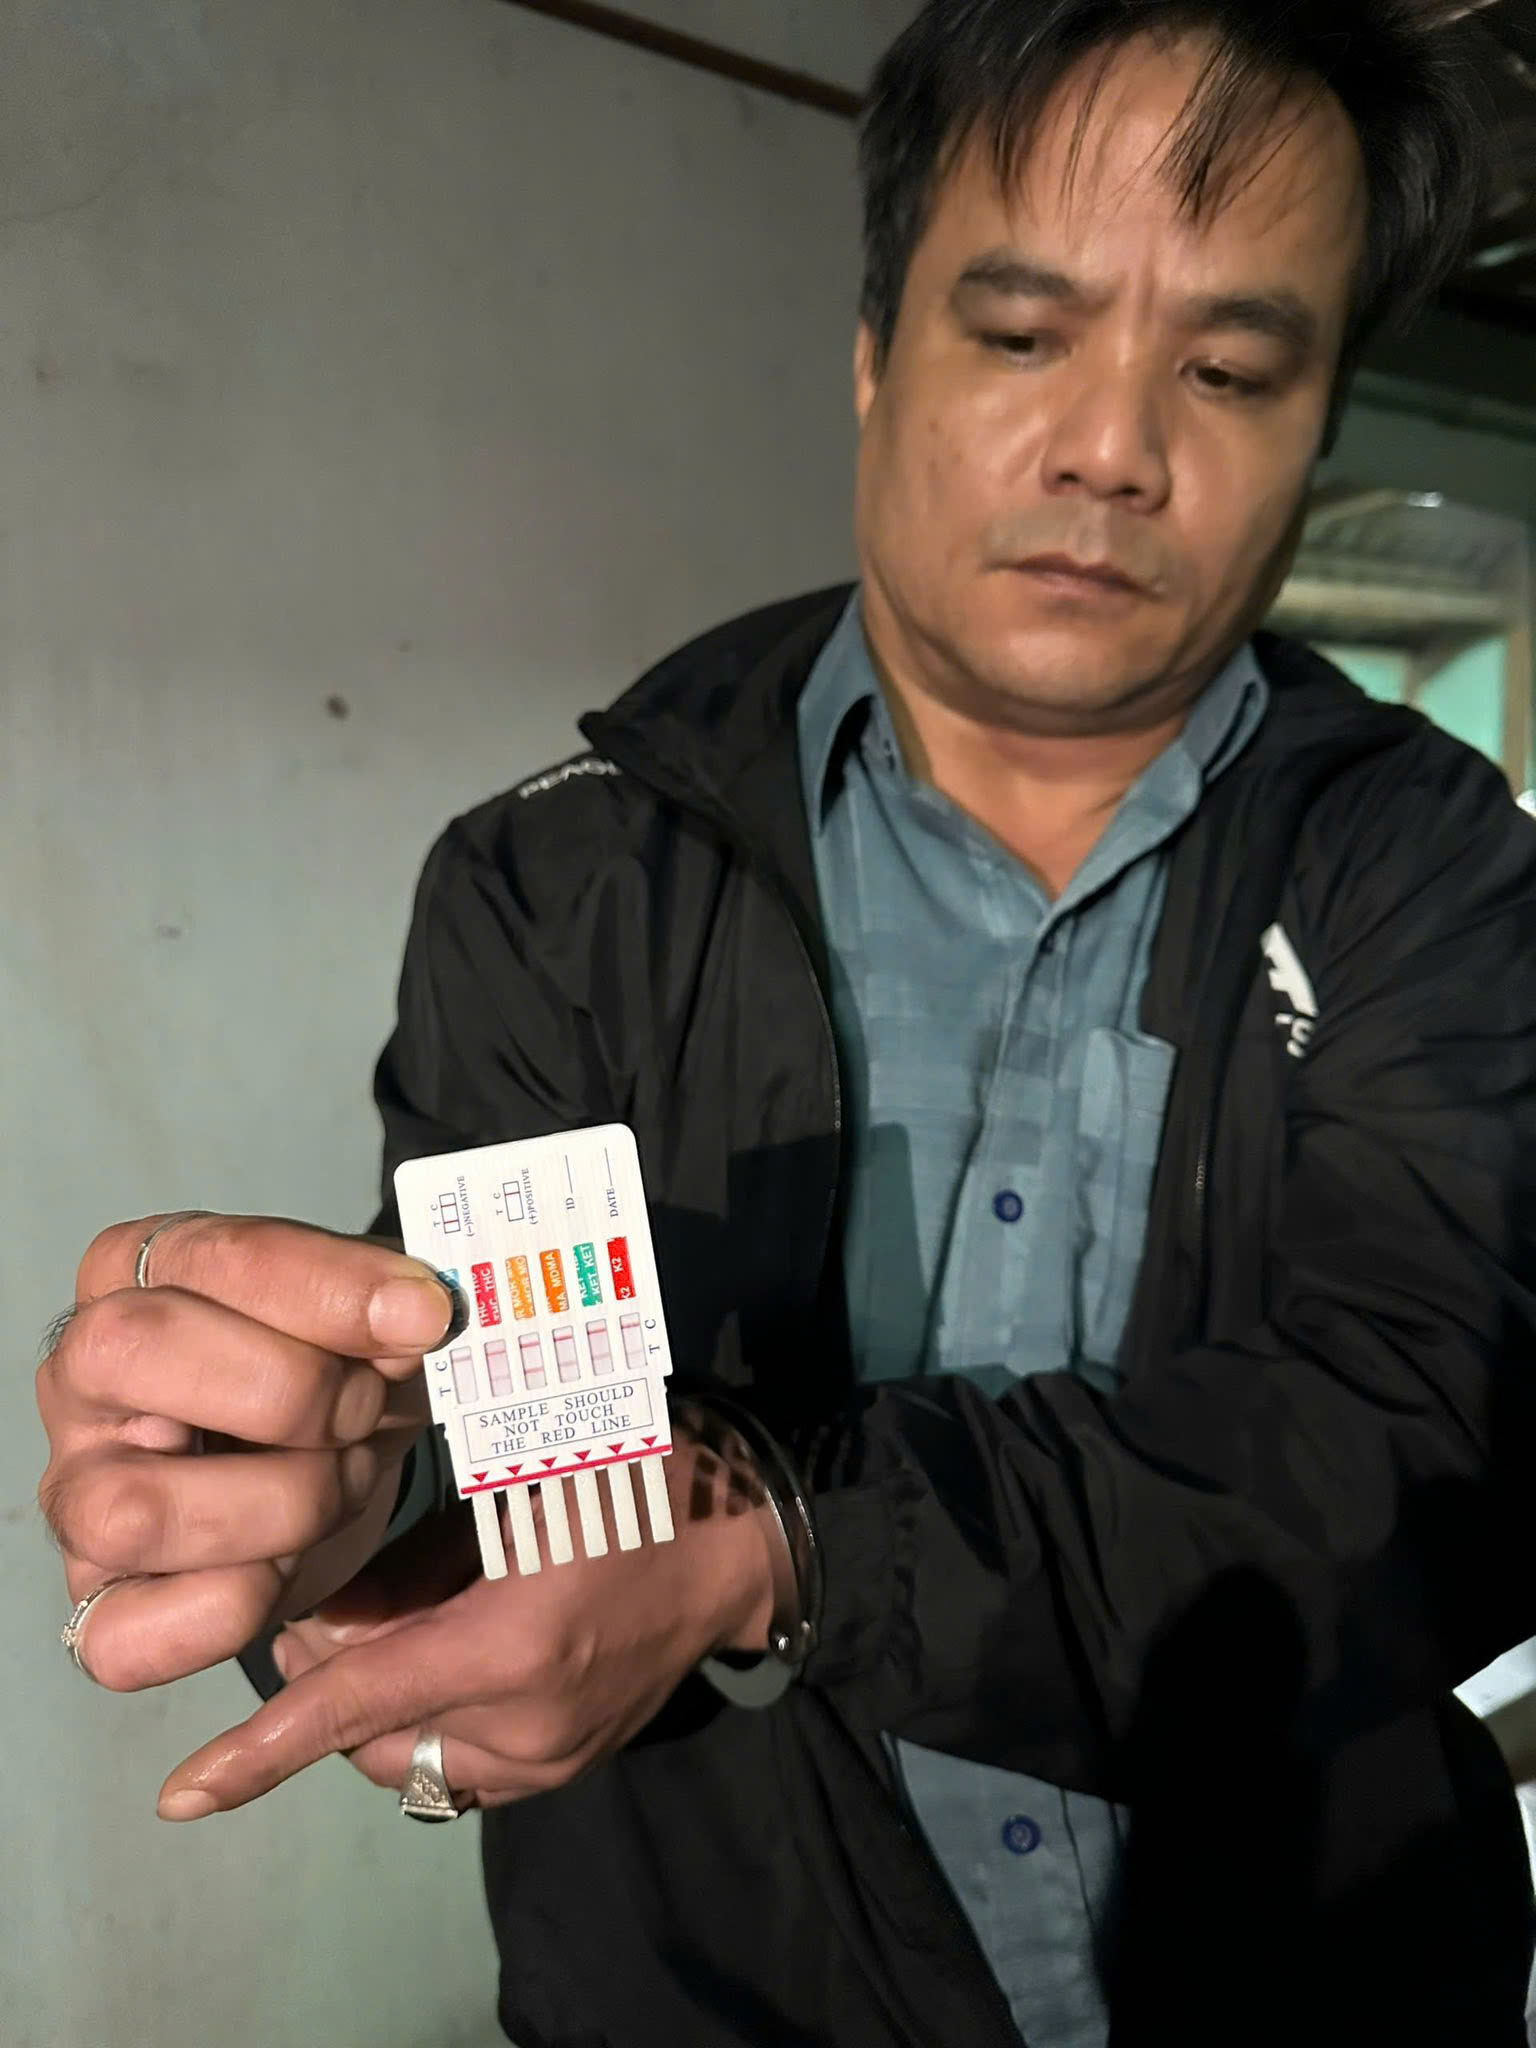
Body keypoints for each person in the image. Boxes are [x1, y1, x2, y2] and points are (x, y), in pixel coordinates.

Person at [36, 2, 1536, 2042]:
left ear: (1320, 417)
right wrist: (341, 1494)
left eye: (1230, 369)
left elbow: (1439, 1450)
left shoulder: (1436, 865)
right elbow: (503, 1417)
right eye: (1024, 334)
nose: (1113, 444)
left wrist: (782, 1544)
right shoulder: (561, 882)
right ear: (874, 355)